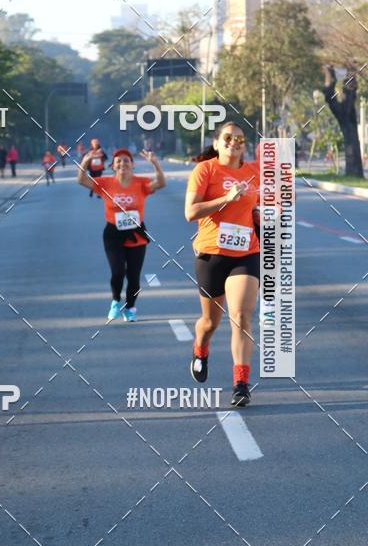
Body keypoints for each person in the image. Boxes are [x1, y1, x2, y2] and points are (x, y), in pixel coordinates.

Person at [184, 121, 260, 408]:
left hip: (245, 252)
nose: (234, 143)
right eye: (228, 138)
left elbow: (261, 204)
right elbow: (190, 212)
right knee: (209, 322)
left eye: (240, 139)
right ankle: (200, 348)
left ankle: (241, 384)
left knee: (241, 315)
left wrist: (262, 215)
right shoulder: (205, 170)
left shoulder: (253, 172)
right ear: (217, 143)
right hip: (212, 254)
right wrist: (226, 198)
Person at [78, 148, 165, 321]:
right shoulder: (106, 182)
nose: (123, 163)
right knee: (118, 271)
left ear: (132, 164)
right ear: (113, 166)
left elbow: (161, 183)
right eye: (119, 161)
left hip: (136, 233)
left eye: (126, 160)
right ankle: (116, 301)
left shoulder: (141, 182)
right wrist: (85, 162)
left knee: (134, 275)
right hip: (113, 233)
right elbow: (81, 180)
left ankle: (130, 308)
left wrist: (155, 163)